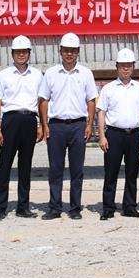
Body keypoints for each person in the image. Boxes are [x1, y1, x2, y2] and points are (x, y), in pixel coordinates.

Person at [39, 33, 97, 221]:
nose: (69, 54)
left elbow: (91, 100)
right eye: (66, 50)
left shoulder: (86, 73)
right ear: (60, 51)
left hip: (78, 125)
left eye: (73, 51)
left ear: (78, 52)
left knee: (76, 169)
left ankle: (74, 208)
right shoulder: (51, 73)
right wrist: (44, 124)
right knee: (55, 169)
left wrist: (90, 124)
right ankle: (54, 207)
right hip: (56, 126)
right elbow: (44, 100)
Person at [0, 35, 44, 222]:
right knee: (4, 165)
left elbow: (41, 101)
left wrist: (41, 125)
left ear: (29, 53)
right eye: (17, 52)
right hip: (10, 122)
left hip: (29, 120)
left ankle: (23, 207)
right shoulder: (4, 75)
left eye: (24, 52)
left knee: (25, 166)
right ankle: (0, 207)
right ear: (12, 53)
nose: (21, 55)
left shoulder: (37, 75)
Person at [97, 48, 139, 220]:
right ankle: (108, 208)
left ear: (133, 67)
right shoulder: (108, 89)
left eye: (129, 65)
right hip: (114, 135)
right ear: (117, 67)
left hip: (134, 135)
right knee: (111, 172)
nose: (125, 69)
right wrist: (102, 136)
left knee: (132, 173)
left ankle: (130, 207)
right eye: (122, 65)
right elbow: (101, 112)